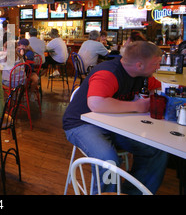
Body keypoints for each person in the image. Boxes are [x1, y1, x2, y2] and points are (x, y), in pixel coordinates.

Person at [62, 41, 167, 194]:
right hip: (81, 123)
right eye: (155, 64)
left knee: (157, 149)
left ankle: (132, 192)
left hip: (113, 124)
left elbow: (158, 88)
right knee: (108, 161)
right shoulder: (109, 72)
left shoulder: (143, 75)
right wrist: (137, 106)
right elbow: (96, 103)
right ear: (139, 65)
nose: (158, 68)